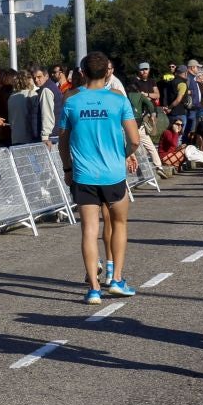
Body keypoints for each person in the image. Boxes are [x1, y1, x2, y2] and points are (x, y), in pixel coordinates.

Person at [57, 53, 141, 303]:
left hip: (84, 174)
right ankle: (116, 279)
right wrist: (123, 153)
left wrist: (67, 169)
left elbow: (62, 141)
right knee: (119, 225)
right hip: (113, 174)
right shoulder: (118, 100)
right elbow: (135, 140)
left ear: (82, 72)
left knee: (89, 230)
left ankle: (93, 287)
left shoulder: (71, 101)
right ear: (108, 72)